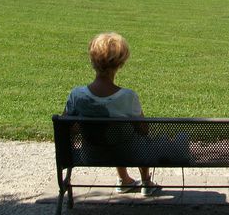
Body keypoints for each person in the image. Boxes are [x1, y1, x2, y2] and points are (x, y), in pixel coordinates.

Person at [64, 32, 162, 196]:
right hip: (127, 153)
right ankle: (146, 181)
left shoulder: (77, 96)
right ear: (121, 64)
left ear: (92, 60)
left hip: (90, 154)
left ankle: (124, 179)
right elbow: (144, 130)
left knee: (112, 135)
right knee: (128, 137)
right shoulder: (128, 97)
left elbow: (66, 129)